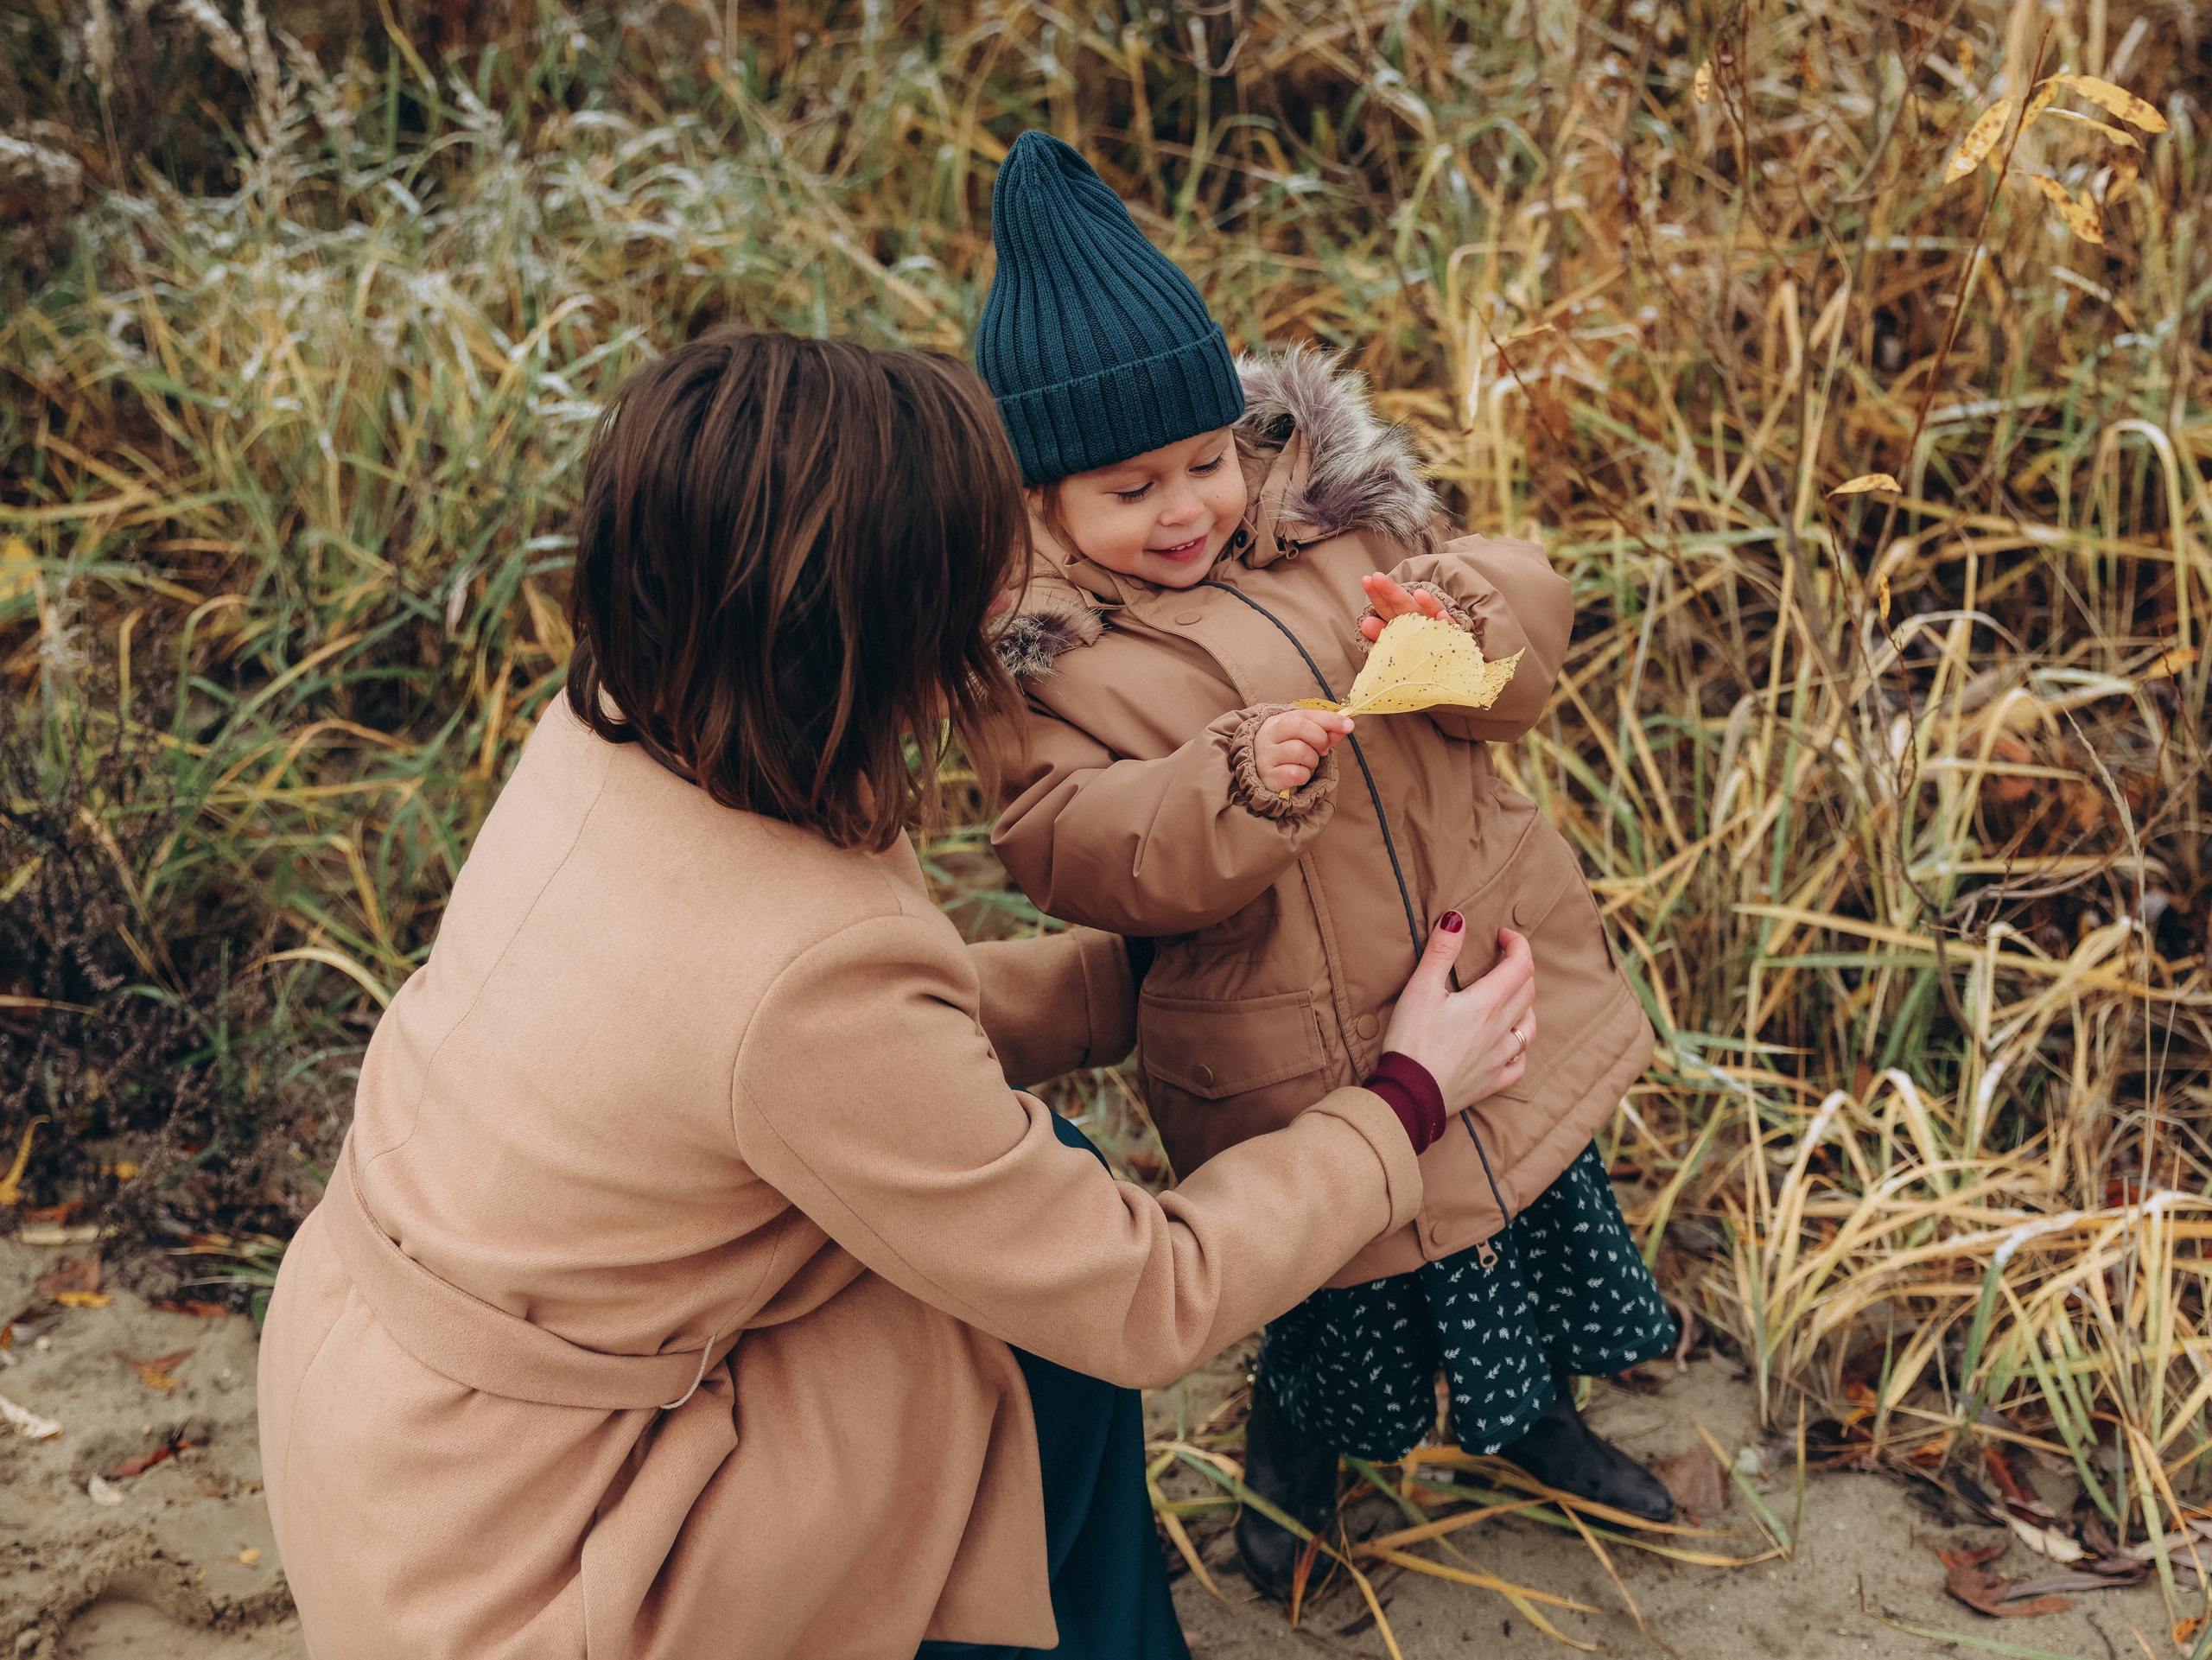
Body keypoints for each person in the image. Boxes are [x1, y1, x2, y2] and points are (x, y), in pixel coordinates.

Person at [256, 327, 1541, 1659]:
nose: (998, 599)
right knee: (1033, 1336)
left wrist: (1135, 978)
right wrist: (1404, 1098)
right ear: (869, 624)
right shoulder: (811, 967)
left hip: (385, 1433)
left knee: (1014, 1245)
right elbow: (1147, 1295)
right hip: (543, 1563)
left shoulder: (622, 727)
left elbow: (785, 1056)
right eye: (969, 571)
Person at [976, 131, 1679, 1600]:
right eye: (1128, 489)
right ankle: (1287, 1503)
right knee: (1339, 1307)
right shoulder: (1049, 671)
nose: (1185, 510)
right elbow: (1071, 847)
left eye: (1203, 462)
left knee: (1529, 1213)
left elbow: (1524, 660)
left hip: (1482, 982)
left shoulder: (1329, 526)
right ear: (1044, 501)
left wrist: (1468, 612)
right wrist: (1228, 782)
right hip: (1296, 1053)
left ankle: (1537, 1421)